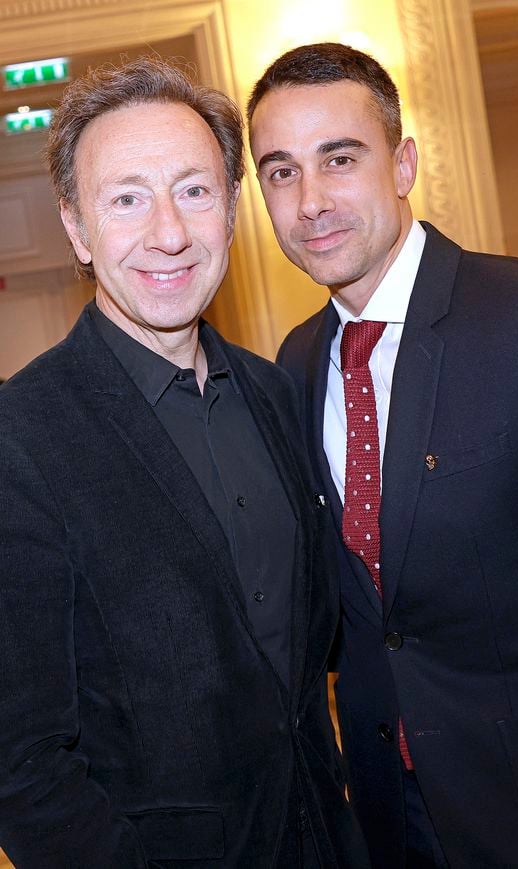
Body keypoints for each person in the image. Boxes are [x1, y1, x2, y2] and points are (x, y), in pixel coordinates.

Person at [0, 57, 370, 869]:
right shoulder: (20, 435)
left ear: (231, 211)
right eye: (127, 198)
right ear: (75, 227)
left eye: (194, 191)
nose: (168, 232)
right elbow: (22, 764)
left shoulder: (276, 392)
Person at [247, 42, 518, 869]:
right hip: (391, 820)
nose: (311, 200)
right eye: (281, 172)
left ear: (403, 164)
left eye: (339, 158)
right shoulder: (291, 365)